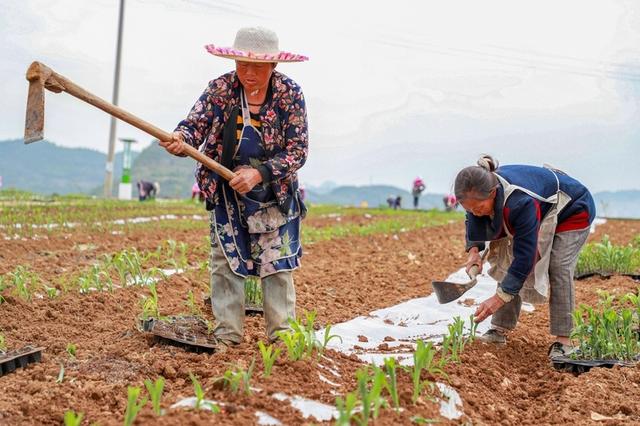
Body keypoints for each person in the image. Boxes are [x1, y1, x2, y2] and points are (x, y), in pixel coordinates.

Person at [160, 27, 308, 349]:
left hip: (273, 193)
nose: (248, 73)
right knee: (225, 261)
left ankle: (282, 338)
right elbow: (194, 124)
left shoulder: (289, 94)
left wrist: (260, 174)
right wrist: (180, 138)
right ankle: (227, 335)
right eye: (242, 64)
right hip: (226, 191)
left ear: (274, 67)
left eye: (257, 67)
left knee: (276, 264)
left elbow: (298, 150)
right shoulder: (221, 89)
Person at [454, 155, 595, 359]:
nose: (475, 213)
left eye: (479, 207)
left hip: (572, 208)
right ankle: (498, 330)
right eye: (469, 209)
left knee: (559, 267)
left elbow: (525, 257)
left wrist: (499, 298)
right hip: (542, 207)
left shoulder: (519, 201)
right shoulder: (480, 194)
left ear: (493, 193)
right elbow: (475, 218)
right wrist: (474, 251)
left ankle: (565, 341)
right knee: (506, 259)